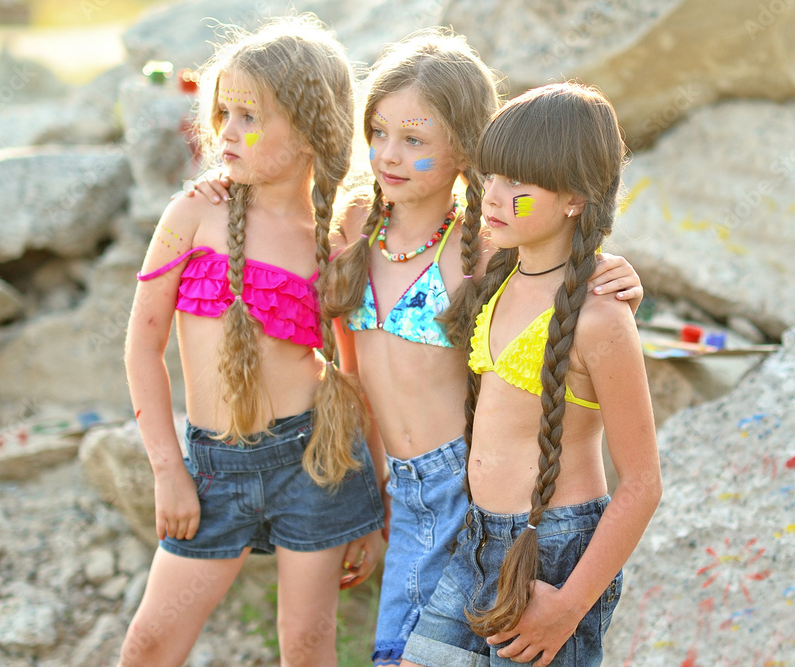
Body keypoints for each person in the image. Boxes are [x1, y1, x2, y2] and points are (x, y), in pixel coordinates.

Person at [184, 31, 643, 667]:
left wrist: (615, 270)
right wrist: (219, 185)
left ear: (465, 149)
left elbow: (558, 260)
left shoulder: (482, 250)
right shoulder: (352, 226)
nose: (388, 155)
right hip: (397, 489)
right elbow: (279, 209)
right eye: (377, 133)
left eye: (415, 139)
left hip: (466, 485)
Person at [119, 16, 384, 667]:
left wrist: (373, 498)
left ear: (311, 130)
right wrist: (168, 471)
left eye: (250, 117)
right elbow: (141, 346)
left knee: (306, 643)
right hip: (213, 471)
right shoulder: (194, 213)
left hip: (318, 461)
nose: (226, 133)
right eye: (224, 113)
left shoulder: (338, 232)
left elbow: (355, 368)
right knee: (152, 642)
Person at [399, 83, 662, 667]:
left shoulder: (601, 319)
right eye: (492, 176)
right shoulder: (498, 273)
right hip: (478, 542)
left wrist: (569, 607)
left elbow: (643, 484)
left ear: (574, 197)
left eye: (519, 182)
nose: (494, 195)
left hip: (557, 552)